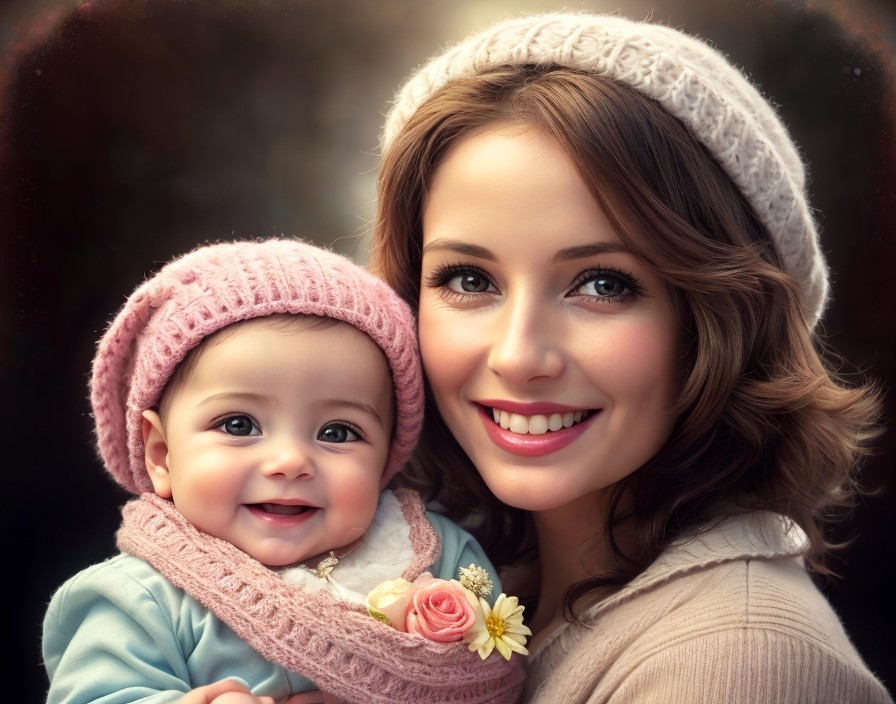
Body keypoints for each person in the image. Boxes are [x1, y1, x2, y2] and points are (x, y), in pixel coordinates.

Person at [369, 12, 894, 703]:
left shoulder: (740, 663)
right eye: (469, 279)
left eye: (603, 285)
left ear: (719, 317)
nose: (519, 356)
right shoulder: (473, 580)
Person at [42, 238, 526, 704]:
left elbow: (497, 682)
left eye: (337, 432)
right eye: (238, 424)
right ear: (162, 454)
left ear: (386, 459)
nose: (291, 461)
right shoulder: (137, 600)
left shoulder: (436, 556)